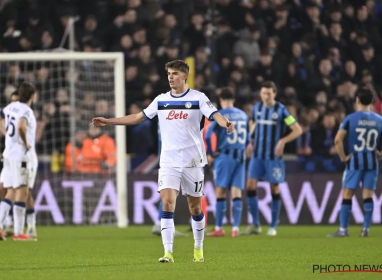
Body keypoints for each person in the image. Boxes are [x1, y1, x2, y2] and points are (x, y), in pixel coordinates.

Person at [93, 60, 234, 263]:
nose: (171, 77)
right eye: (169, 73)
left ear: (185, 76)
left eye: (175, 73)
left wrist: (226, 123)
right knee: (167, 203)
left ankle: (198, 249)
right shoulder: (161, 100)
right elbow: (137, 117)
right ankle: (168, 253)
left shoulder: (198, 98)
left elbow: (215, 115)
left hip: (193, 161)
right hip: (168, 160)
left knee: (195, 208)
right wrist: (109, 121)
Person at [242, 81, 302, 237]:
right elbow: (252, 123)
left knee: (274, 188)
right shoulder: (257, 108)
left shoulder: (281, 111)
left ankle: (273, 225)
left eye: (269, 93)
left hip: (273, 157)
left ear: (274, 94)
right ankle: (255, 224)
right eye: (263, 93)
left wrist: (282, 141)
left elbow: (297, 129)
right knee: (250, 186)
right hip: (257, 156)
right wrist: (250, 141)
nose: (266, 96)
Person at [328, 88, 382, 237]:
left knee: (347, 194)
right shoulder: (380, 120)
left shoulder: (350, 118)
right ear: (373, 102)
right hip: (372, 162)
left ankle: (343, 229)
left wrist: (343, 156)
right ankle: (365, 229)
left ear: (357, 101)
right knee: (367, 195)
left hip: (354, 161)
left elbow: (337, 140)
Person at [0, 83, 38, 241]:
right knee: (22, 192)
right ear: (32, 96)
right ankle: (19, 233)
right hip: (21, 156)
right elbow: (21, 126)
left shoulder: (11, 107)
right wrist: (25, 142)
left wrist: (7, 135)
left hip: (8, 155)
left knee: (10, 192)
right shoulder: (26, 110)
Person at [205, 87, 250, 237]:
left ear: (221, 100)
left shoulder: (220, 115)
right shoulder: (243, 115)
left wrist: (211, 153)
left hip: (225, 156)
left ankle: (219, 227)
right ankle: (235, 229)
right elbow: (248, 139)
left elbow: (208, 135)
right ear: (234, 100)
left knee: (221, 192)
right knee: (236, 192)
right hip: (240, 156)